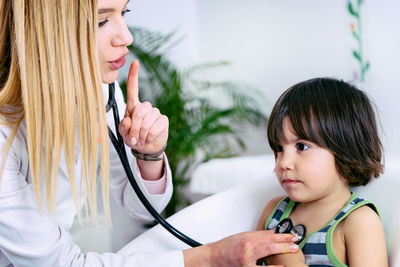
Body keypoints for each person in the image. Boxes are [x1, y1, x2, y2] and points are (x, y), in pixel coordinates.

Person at [0, 0, 299, 266]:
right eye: (102, 20)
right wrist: (210, 256)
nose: (126, 37)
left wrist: (150, 154)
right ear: (48, 33)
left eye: (124, 12)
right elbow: (60, 263)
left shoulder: (103, 92)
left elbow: (140, 208)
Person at [256, 78, 388, 266]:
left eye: (301, 146)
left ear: (345, 149)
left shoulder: (359, 222)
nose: (284, 162)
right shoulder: (274, 211)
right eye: (279, 148)